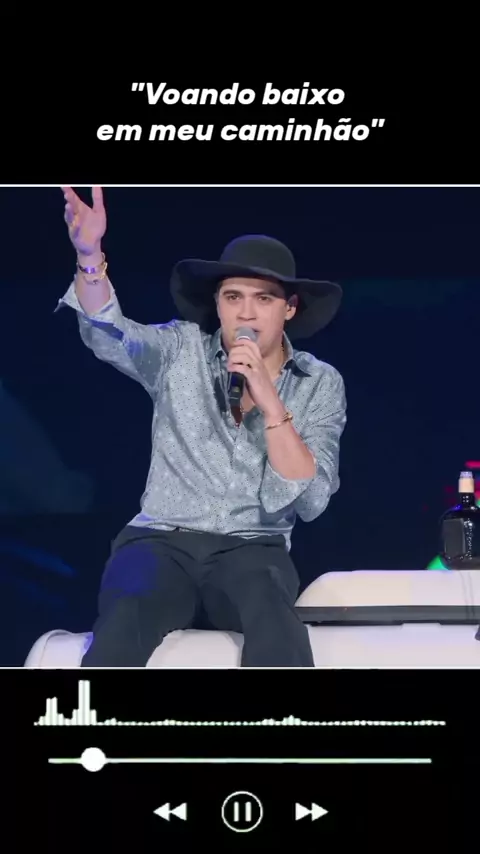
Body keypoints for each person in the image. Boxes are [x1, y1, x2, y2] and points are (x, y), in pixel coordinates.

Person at [57, 186, 347, 667]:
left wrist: (270, 401)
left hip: (253, 546)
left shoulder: (319, 382)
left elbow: (312, 500)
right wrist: (89, 257)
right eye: (233, 297)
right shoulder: (181, 349)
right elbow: (112, 335)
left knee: (273, 614)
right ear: (218, 303)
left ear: (290, 308)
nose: (246, 313)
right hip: (162, 540)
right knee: (128, 612)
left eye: (263, 299)